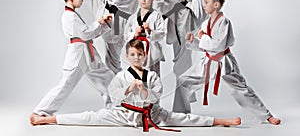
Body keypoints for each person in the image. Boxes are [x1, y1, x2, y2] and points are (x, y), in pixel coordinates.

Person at [30, 39, 241, 131]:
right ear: (127, 56)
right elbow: (113, 96)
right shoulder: (122, 75)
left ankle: (224, 121)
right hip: (124, 114)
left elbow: (157, 95)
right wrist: (129, 89)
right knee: (91, 117)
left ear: (145, 55)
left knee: (184, 119)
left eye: (140, 54)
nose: (137, 58)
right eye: (133, 55)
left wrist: (144, 90)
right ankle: (48, 118)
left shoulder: (152, 76)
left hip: (151, 113)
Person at [138, 0, 238, 113]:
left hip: (187, 15)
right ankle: (153, 108)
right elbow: (160, 5)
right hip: (171, 23)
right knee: (175, 67)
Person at [183, 0, 281, 125]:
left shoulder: (224, 22)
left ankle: (266, 116)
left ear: (216, 5)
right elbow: (205, 47)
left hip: (223, 61)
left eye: (207, 2)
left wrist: (202, 37)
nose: (204, 5)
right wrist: (192, 40)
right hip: (209, 61)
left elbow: (218, 45)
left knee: (241, 89)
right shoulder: (205, 24)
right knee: (185, 82)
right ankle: (179, 113)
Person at [30, 0, 115, 123]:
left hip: (86, 51)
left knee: (105, 77)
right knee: (66, 83)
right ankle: (40, 112)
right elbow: (86, 34)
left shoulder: (73, 15)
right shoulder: (69, 16)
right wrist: (99, 23)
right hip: (79, 53)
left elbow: (89, 33)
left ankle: (115, 106)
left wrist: (103, 24)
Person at [124, 0, 165, 76]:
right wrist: (135, 34)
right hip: (136, 49)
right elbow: (126, 35)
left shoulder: (156, 16)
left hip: (151, 50)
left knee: (153, 75)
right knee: (136, 74)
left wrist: (150, 31)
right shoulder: (133, 17)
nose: (144, 0)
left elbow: (162, 33)